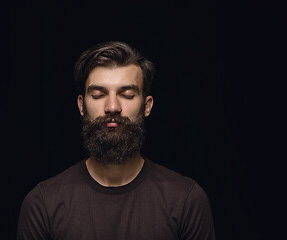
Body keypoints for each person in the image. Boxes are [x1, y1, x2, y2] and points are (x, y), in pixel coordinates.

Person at [16, 41, 215, 240]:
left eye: (127, 95)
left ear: (147, 106)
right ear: (81, 105)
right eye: (98, 94)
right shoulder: (43, 203)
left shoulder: (186, 201)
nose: (112, 106)